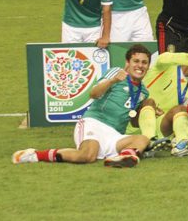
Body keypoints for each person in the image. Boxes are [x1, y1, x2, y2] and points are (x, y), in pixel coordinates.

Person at [13, 45, 156, 167]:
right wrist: (112, 81)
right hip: (94, 123)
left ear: (148, 66)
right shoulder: (115, 73)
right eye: (136, 61)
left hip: (115, 134)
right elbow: (94, 94)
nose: (140, 66)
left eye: (144, 63)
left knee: (142, 139)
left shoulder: (143, 91)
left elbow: (133, 121)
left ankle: (122, 158)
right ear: (127, 62)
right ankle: (35, 155)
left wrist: (148, 110)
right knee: (87, 156)